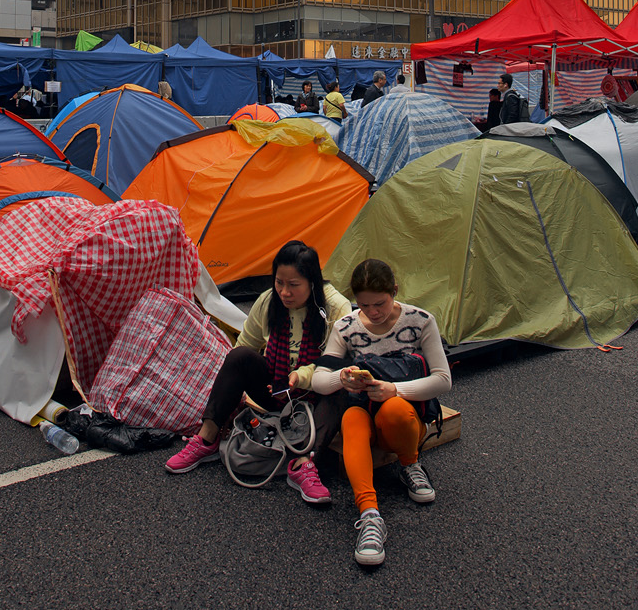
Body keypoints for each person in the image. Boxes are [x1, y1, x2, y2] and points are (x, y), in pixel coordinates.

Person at [165, 240, 352, 504]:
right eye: (279, 283)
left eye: (294, 285)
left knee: (340, 384)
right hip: (275, 391)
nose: (284, 292)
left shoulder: (335, 309)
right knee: (238, 357)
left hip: (314, 399)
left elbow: (334, 364)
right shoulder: (268, 301)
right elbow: (245, 347)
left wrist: (300, 378)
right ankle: (206, 438)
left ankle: (304, 464)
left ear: (313, 282)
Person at [311, 258, 451, 568]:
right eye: (364, 305)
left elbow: (443, 379)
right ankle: (370, 516)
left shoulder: (420, 321)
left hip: (404, 415)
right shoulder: (345, 326)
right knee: (351, 419)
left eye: (380, 303)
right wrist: (341, 378)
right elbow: (320, 381)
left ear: (395, 292)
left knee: (395, 409)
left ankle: (409, 463)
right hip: (363, 409)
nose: (373, 312)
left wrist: (395, 390)